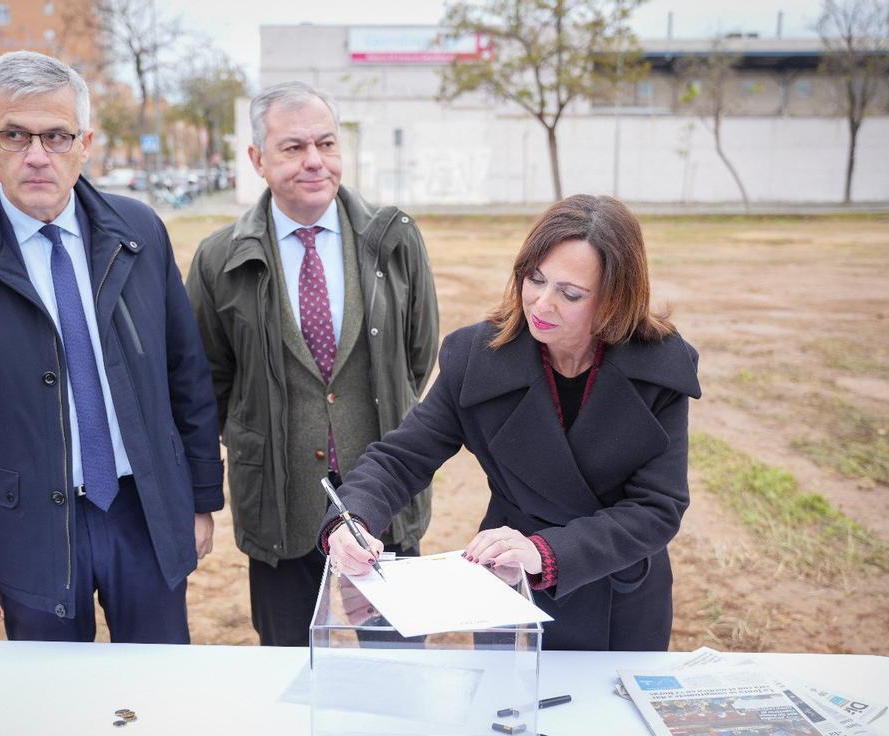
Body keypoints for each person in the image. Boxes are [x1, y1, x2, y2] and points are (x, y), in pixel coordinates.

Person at [0, 51, 223, 643]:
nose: (37, 155)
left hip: (143, 513)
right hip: (25, 528)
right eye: (16, 135)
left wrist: (198, 499)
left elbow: (185, 374)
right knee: (51, 709)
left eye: (56, 135)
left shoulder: (139, 232)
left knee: (158, 691)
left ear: (85, 142)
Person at [323, 194, 701, 651]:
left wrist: (545, 553)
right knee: (505, 715)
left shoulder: (658, 369)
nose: (541, 303)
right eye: (535, 278)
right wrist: (354, 517)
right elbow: (401, 459)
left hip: (614, 590)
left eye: (570, 293)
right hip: (505, 586)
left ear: (613, 300)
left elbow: (656, 509)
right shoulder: (478, 359)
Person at [186, 81, 439, 646]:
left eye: (326, 144)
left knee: (398, 665)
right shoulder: (218, 259)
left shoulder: (393, 240)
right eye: (293, 147)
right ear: (257, 159)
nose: (314, 162)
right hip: (279, 504)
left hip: (386, 501)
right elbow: (209, 383)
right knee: (290, 671)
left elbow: (418, 358)